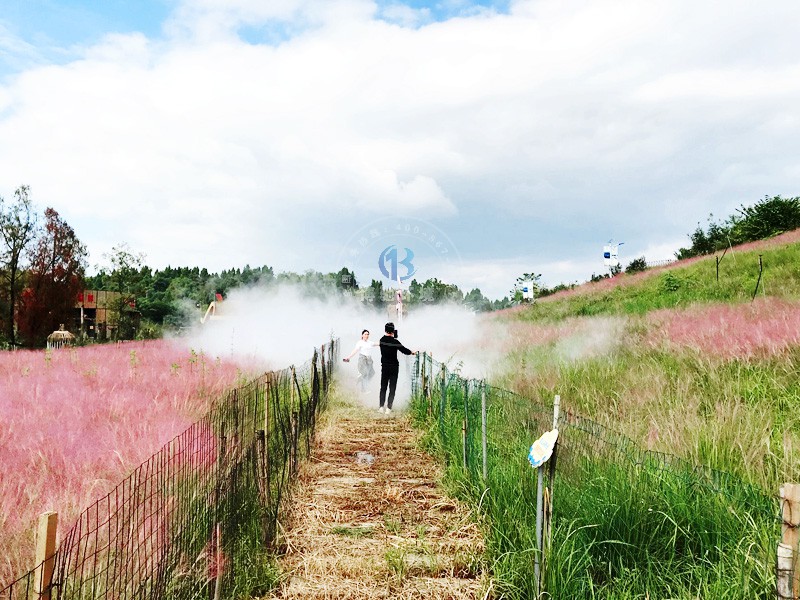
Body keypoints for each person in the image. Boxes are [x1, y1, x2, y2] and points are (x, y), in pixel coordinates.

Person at [377, 322, 417, 415]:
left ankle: (381, 407)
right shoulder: (395, 342)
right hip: (394, 367)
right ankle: (389, 408)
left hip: (385, 366)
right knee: (392, 388)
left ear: (385, 330)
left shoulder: (381, 340)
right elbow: (404, 350)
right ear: (393, 331)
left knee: (383, 387)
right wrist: (412, 352)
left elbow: (387, 340)